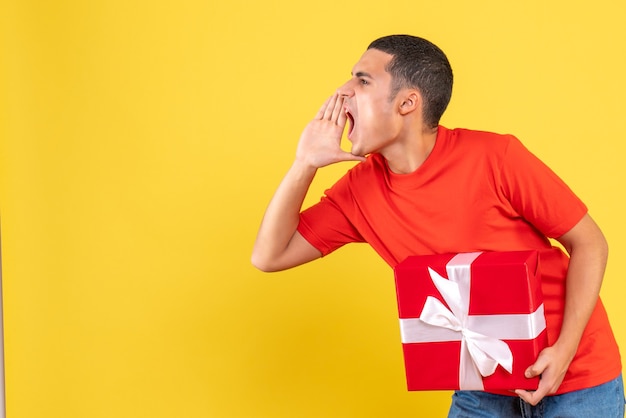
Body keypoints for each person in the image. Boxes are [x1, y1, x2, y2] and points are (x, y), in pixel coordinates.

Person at [251, 34, 623, 417]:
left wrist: (563, 353)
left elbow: (590, 243)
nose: (343, 92)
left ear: (407, 102)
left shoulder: (496, 157)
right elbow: (269, 255)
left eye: (363, 81)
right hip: (482, 382)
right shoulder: (358, 191)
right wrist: (304, 164)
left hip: (576, 376)